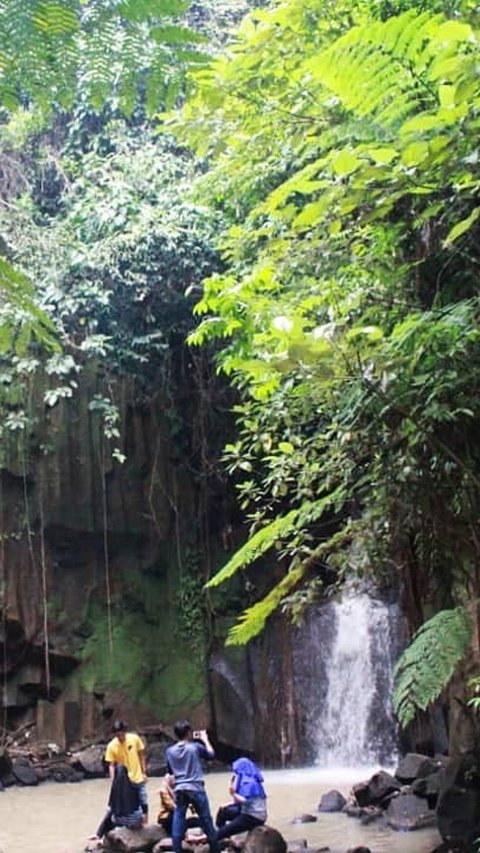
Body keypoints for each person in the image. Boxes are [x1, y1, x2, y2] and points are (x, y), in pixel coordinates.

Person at [165, 720, 219, 853]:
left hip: (180, 789)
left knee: (178, 820)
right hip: (196, 788)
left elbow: (171, 771)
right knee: (206, 820)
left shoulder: (169, 751)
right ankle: (215, 849)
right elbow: (211, 755)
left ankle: (177, 849)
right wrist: (205, 739)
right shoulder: (194, 747)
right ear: (189, 733)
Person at [105, 719, 148, 824]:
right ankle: (125, 822)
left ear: (125, 732)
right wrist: (113, 781)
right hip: (124, 781)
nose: (120, 737)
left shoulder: (134, 739)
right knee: (123, 803)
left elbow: (141, 755)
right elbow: (111, 765)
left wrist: (144, 772)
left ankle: (145, 822)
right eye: (117, 735)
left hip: (137, 776)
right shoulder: (111, 746)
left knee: (143, 800)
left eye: (122, 735)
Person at [215, 757, 267, 841]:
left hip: (253, 817)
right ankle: (222, 836)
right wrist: (230, 803)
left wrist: (233, 793)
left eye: (237, 771)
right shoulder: (244, 781)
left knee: (225, 830)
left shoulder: (250, 783)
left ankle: (214, 837)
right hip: (245, 811)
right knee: (223, 811)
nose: (235, 773)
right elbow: (242, 802)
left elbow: (245, 801)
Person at [89, 764, 143, 842]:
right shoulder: (134, 785)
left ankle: (99, 836)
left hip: (122, 821)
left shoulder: (115, 788)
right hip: (136, 819)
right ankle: (99, 836)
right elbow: (142, 803)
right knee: (112, 813)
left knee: (109, 813)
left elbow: (111, 808)